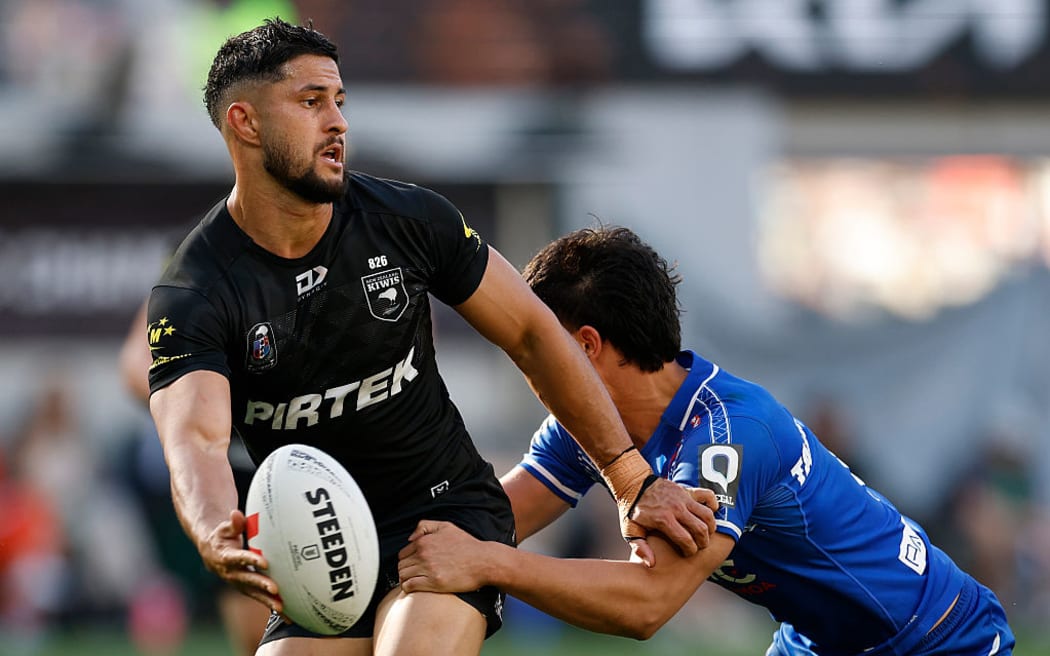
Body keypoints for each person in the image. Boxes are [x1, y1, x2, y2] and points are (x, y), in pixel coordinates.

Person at [144, 18, 714, 656]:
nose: (337, 122)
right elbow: (194, 439)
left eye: (340, 101)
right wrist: (214, 530)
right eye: (310, 102)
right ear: (244, 123)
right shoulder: (194, 290)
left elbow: (533, 332)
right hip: (323, 543)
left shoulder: (408, 220)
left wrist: (632, 479)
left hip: (447, 517)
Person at [398, 225, 1016, 656]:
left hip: (933, 638)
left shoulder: (727, 437)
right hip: (820, 641)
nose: (528, 366)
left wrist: (491, 563)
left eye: (539, 344)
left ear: (585, 346)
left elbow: (647, 604)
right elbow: (491, 522)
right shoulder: (583, 426)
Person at [120, 300, 271, 656]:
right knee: (259, 637)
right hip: (237, 471)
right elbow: (136, 363)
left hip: (328, 457)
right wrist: (199, 401)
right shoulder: (195, 255)